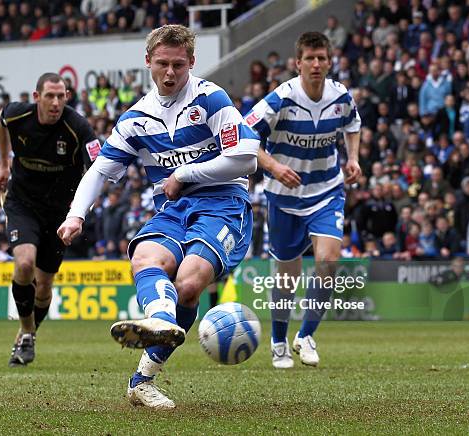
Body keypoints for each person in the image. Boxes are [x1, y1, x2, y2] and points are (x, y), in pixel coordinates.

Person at [57, 25, 258, 409]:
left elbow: (245, 159)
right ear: (147, 61)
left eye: (178, 65)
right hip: (172, 210)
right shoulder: (136, 118)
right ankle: (160, 323)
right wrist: (76, 216)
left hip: (223, 204)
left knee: (188, 283)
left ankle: (143, 376)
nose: (170, 73)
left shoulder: (211, 100)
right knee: (146, 257)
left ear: (192, 63)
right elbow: (100, 171)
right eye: (162, 64)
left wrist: (183, 174)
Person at [244, 32, 361, 369]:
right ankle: (279, 341)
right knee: (287, 277)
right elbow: (245, 136)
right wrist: (274, 167)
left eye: (321, 58)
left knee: (327, 262)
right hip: (283, 197)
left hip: (326, 190)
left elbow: (353, 124)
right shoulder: (280, 99)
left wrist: (352, 158)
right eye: (309, 58)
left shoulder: (340, 97)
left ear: (329, 61)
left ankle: (306, 335)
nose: (316, 64)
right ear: (298, 63)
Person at [0, 72, 99, 367]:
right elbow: (0, 120)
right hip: (22, 203)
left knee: (44, 285)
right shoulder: (18, 115)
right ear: (37, 97)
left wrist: (82, 209)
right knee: (24, 263)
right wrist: (3, 164)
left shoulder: (77, 127)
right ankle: (27, 334)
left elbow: (98, 166)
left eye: (61, 96)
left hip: (59, 213)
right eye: (50, 96)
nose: (56, 103)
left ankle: (26, 334)